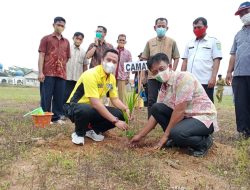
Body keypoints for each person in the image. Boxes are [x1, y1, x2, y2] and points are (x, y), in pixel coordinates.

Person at [130, 53, 218, 157]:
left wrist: (165, 136)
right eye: (155, 72)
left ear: (170, 66)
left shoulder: (184, 78)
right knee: (156, 108)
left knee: (176, 133)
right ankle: (176, 139)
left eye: (161, 69)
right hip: (186, 118)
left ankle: (204, 143)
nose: (159, 73)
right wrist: (140, 135)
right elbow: (155, 115)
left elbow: (179, 111)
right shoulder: (164, 87)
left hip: (203, 117)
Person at [64, 49, 131, 145]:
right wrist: (115, 121)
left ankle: (91, 130)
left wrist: (126, 108)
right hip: (75, 106)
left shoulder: (111, 78)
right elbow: (95, 103)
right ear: (102, 60)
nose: (111, 63)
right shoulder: (91, 74)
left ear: (117, 64)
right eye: (108, 60)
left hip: (92, 108)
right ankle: (79, 133)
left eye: (114, 62)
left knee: (119, 114)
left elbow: (114, 99)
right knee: (85, 108)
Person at [141, 17, 180, 118]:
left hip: (166, 76)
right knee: (151, 99)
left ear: (167, 27)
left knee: (167, 99)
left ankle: (166, 118)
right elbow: (144, 59)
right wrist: (144, 76)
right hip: (152, 76)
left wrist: (173, 71)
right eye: (159, 26)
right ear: (155, 27)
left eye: (163, 26)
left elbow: (176, 57)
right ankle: (150, 119)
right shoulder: (149, 42)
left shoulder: (172, 42)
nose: (161, 28)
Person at [181, 17, 222, 103]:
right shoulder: (189, 43)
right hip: (190, 81)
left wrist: (213, 77)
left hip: (205, 81)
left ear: (206, 27)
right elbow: (185, 61)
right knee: (190, 105)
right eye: (194, 27)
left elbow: (217, 60)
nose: (196, 29)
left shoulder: (214, 41)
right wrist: (182, 77)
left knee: (207, 106)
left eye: (199, 27)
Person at [38, 16, 70, 124]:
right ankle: (45, 118)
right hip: (48, 73)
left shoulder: (66, 42)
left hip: (61, 74)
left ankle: (56, 118)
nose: (60, 27)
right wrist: (40, 72)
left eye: (62, 26)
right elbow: (41, 55)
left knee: (58, 97)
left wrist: (61, 66)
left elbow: (68, 57)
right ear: (53, 25)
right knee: (46, 96)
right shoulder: (46, 39)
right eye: (58, 25)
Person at [226, 1, 250, 139]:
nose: (243, 15)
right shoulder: (238, 35)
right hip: (240, 74)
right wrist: (229, 71)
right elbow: (233, 54)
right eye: (241, 14)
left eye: (246, 12)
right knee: (241, 104)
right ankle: (243, 131)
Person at [64, 32, 89, 105]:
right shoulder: (67, 49)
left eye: (80, 39)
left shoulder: (83, 52)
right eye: (77, 38)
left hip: (77, 79)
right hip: (66, 77)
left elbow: (85, 66)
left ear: (82, 40)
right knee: (64, 96)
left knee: (74, 97)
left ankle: (70, 113)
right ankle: (61, 113)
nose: (78, 40)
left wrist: (85, 78)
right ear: (73, 38)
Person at [115, 34, 132, 103]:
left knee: (121, 96)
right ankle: (109, 111)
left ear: (125, 42)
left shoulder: (128, 53)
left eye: (123, 40)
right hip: (111, 77)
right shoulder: (112, 50)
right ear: (117, 41)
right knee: (109, 94)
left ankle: (121, 112)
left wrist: (128, 77)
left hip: (122, 77)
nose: (121, 41)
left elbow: (129, 66)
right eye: (120, 40)